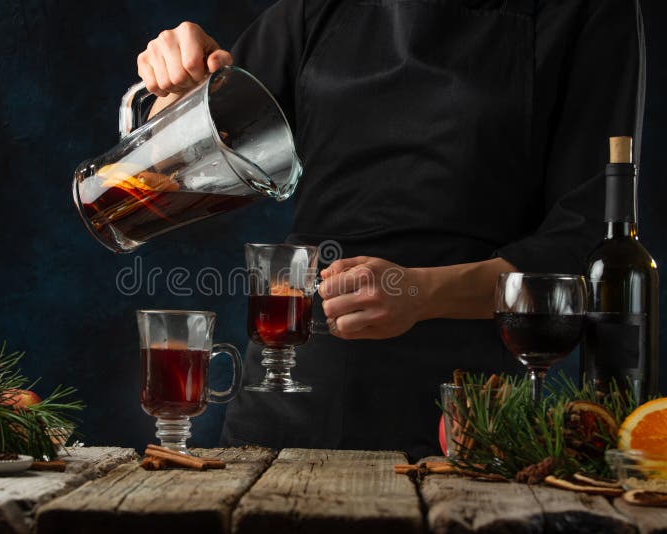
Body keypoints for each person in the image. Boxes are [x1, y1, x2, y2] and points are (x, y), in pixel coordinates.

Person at [136, 0, 644, 458]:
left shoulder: (589, 13)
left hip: (466, 407)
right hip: (293, 389)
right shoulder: (313, 10)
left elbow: (587, 244)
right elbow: (172, 174)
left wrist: (419, 292)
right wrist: (176, 94)